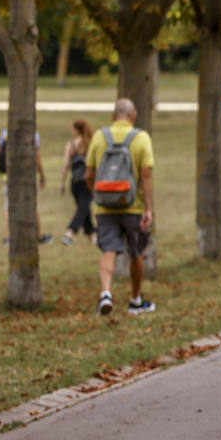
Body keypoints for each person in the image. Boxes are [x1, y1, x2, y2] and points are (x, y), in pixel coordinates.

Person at [85, 98, 155, 316]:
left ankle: (106, 293)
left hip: (105, 206)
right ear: (133, 116)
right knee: (136, 252)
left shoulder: (99, 136)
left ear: (113, 116)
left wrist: (97, 196)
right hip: (133, 206)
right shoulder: (141, 138)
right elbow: (146, 174)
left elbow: (88, 173)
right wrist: (148, 207)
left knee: (108, 249)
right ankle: (135, 300)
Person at [0, 127, 50, 245]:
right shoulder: (32, 132)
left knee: (8, 207)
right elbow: (37, 157)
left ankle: (8, 238)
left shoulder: (6, 133)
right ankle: (39, 236)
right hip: (27, 176)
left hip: (9, 176)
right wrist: (41, 174)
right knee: (31, 205)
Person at [60, 119, 95, 245]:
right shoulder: (91, 144)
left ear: (77, 130)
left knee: (83, 208)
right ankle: (87, 235)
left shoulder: (71, 145)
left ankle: (72, 232)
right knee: (83, 208)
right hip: (88, 181)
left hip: (75, 183)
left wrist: (62, 183)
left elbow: (66, 166)